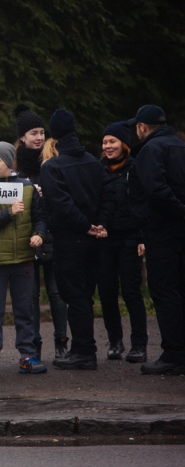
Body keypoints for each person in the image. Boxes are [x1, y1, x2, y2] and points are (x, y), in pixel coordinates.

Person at [40, 110, 112, 370]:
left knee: (74, 295)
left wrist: (85, 226)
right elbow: (107, 195)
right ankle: (84, 347)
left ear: (54, 135)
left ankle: (83, 350)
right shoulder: (93, 161)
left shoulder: (52, 167)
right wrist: (99, 224)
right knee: (86, 294)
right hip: (95, 240)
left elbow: (61, 205)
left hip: (70, 239)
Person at [0, 142, 47, 376]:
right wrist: (8, 212)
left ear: (9, 161)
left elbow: (40, 217)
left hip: (23, 260)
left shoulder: (28, 187)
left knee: (25, 310)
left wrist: (39, 235)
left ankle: (27, 355)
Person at [127, 105, 185, 375]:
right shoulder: (179, 145)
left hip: (162, 231)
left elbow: (157, 190)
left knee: (164, 291)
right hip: (177, 230)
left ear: (142, 127)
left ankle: (173, 353)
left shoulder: (151, 150)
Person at [13, 104, 69, 360]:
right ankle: (33, 345)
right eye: (33, 132)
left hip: (55, 237)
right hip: (28, 239)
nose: (38, 137)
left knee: (57, 294)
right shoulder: (14, 170)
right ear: (22, 137)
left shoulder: (54, 163)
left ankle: (61, 342)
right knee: (30, 295)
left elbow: (67, 200)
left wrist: (49, 197)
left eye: (41, 132)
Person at [97, 122, 148, 362]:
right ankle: (115, 341)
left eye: (112, 141)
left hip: (130, 239)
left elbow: (144, 204)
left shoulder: (135, 168)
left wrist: (142, 237)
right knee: (107, 293)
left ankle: (139, 344)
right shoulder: (98, 169)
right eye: (105, 142)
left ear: (123, 144)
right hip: (105, 240)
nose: (107, 146)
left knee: (131, 292)